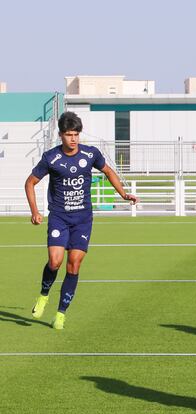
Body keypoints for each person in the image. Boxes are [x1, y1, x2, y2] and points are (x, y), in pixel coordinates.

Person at [25, 112, 139, 329]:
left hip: (83, 219)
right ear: (61, 135)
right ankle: (43, 295)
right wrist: (35, 211)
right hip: (59, 217)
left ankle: (60, 314)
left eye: (76, 134)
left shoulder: (90, 154)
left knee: (74, 264)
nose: (73, 139)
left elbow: (108, 171)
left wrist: (123, 194)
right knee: (55, 261)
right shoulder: (51, 158)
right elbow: (30, 182)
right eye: (69, 134)